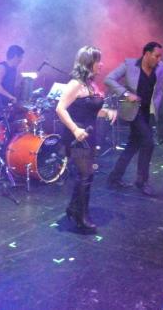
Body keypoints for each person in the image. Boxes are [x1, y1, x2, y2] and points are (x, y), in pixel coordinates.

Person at [104, 41, 163, 196]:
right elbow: (109, 79)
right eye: (157, 56)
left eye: (161, 56)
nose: (159, 59)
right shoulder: (129, 64)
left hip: (147, 112)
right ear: (147, 54)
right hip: (133, 111)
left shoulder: (160, 67)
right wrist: (126, 94)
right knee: (148, 142)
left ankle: (114, 178)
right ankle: (142, 181)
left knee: (133, 145)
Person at [56, 46, 116, 233]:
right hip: (77, 135)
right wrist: (75, 129)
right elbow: (60, 108)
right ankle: (81, 215)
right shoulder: (75, 84)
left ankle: (74, 208)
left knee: (87, 174)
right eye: (98, 61)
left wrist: (107, 112)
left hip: (90, 133)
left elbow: (90, 109)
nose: (101, 64)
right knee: (85, 174)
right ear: (89, 63)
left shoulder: (90, 84)